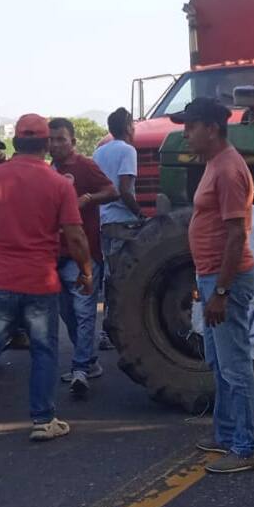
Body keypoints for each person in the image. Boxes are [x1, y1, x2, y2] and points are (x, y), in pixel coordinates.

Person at [0, 113, 93, 449]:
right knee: (44, 352)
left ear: (15, 141)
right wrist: (86, 271)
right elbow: (75, 236)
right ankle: (43, 420)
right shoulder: (60, 184)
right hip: (40, 284)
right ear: (45, 144)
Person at [169, 97, 254, 474]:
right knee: (219, 362)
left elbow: (236, 236)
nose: (186, 133)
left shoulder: (227, 170)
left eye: (190, 126)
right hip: (210, 278)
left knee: (235, 365)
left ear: (211, 127)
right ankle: (227, 434)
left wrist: (221, 292)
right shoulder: (215, 164)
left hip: (226, 282)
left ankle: (247, 446)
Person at [49, 117, 118, 398]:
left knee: (85, 311)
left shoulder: (85, 166)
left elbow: (112, 191)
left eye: (60, 139)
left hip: (86, 252)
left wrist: (89, 198)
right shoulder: (49, 171)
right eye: (51, 140)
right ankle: (88, 362)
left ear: (73, 142)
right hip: (59, 253)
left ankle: (79, 368)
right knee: (68, 313)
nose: (55, 145)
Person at [92, 107, 143, 349]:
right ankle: (113, 331)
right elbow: (124, 189)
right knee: (123, 277)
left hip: (103, 220)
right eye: (132, 124)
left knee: (108, 277)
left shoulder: (99, 152)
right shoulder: (128, 151)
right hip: (122, 222)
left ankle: (106, 330)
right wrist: (141, 214)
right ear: (127, 127)